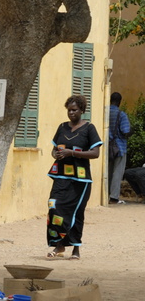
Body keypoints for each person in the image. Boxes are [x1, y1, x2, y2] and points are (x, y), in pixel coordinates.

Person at [46, 95, 102, 261]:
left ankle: (76, 249)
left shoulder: (89, 128)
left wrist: (72, 153)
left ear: (82, 110)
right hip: (61, 175)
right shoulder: (62, 127)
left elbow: (95, 153)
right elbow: (54, 149)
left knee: (76, 212)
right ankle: (59, 244)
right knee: (54, 206)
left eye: (75, 110)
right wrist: (56, 153)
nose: (71, 113)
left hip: (80, 180)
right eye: (69, 110)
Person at [107, 92, 131, 204]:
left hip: (107, 146)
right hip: (119, 147)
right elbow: (125, 131)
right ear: (119, 102)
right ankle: (114, 197)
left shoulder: (105, 112)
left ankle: (106, 194)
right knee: (117, 172)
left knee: (108, 171)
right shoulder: (121, 115)